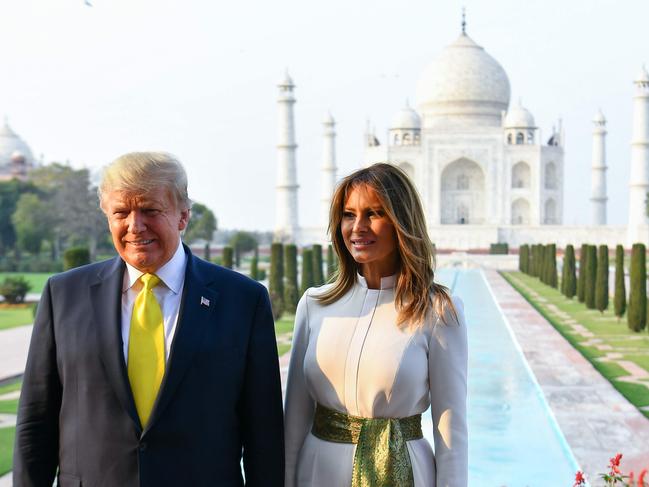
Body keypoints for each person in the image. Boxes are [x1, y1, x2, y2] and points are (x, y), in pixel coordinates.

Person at [14, 152, 284, 487]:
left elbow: (265, 434)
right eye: (121, 212)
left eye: (150, 210)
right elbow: (35, 424)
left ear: (183, 216)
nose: (134, 225)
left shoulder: (242, 300)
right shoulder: (64, 295)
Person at [284, 163, 468, 486]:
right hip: (317, 472)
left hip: (404, 470)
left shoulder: (436, 311)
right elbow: (295, 419)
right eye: (349, 214)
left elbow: (450, 430)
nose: (358, 227)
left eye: (374, 214)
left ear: (402, 221)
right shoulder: (316, 305)